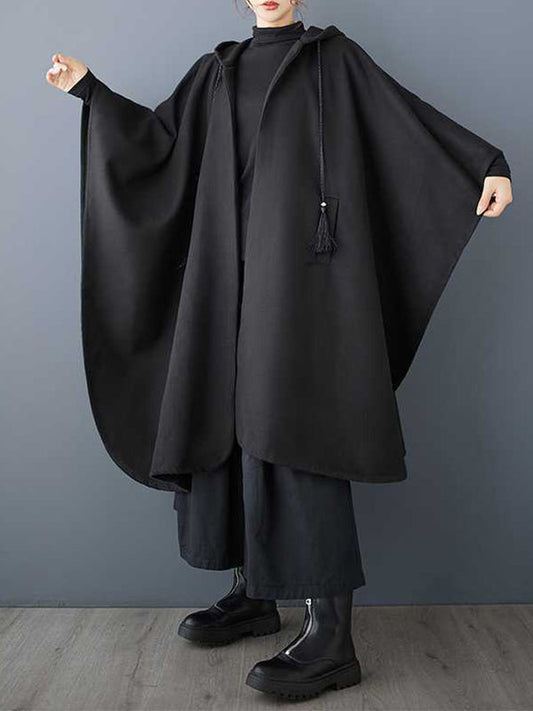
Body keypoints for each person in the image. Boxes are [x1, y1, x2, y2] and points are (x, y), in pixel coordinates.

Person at [46, 0, 513, 701]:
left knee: (299, 431)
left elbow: (405, 122)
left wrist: (484, 164)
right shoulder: (216, 71)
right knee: (224, 422)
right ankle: (256, 593)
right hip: (221, 279)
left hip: (302, 284)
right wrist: (91, 90)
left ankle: (332, 638)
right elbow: (158, 144)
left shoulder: (334, 59)